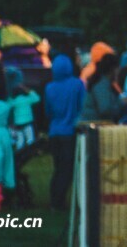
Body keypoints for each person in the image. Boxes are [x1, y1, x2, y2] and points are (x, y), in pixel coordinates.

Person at [45, 54, 85, 210]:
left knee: (58, 167)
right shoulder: (77, 85)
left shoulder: (49, 87)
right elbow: (82, 107)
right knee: (68, 169)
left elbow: (48, 112)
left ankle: (54, 199)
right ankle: (59, 201)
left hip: (54, 131)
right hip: (70, 132)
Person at [5, 67, 40, 151]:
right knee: (30, 139)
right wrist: (25, 88)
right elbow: (36, 98)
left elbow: (8, 104)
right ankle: (30, 151)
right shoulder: (27, 100)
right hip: (27, 122)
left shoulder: (14, 101)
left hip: (18, 123)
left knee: (20, 141)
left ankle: (19, 152)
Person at [81, 53, 121, 122]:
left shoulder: (103, 83)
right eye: (118, 68)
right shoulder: (101, 85)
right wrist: (122, 104)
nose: (119, 72)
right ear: (112, 69)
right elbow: (105, 110)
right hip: (93, 125)